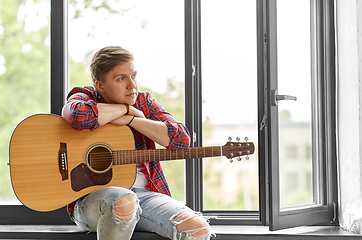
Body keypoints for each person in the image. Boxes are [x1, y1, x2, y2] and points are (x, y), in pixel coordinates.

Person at [61, 46, 214, 240]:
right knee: (124, 202)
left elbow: (181, 139)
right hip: (93, 200)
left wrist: (133, 119)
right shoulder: (86, 97)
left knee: (198, 229)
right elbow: (76, 115)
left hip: (145, 196)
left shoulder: (143, 102)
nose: (132, 86)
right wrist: (123, 109)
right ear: (100, 86)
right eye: (121, 78)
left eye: (133, 75)